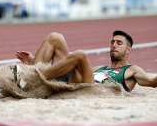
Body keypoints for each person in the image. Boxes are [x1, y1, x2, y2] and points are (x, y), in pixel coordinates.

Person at [15, 30, 157, 92]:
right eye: (112, 42)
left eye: (119, 43)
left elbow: (151, 81)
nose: (114, 45)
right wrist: (34, 59)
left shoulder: (131, 69)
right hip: (74, 80)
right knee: (55, 37)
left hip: (90, 89)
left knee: (80, 55)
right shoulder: (101, 67)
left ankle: (30, 79)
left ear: (128, 50)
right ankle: (34, 69)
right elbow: (67, 66)